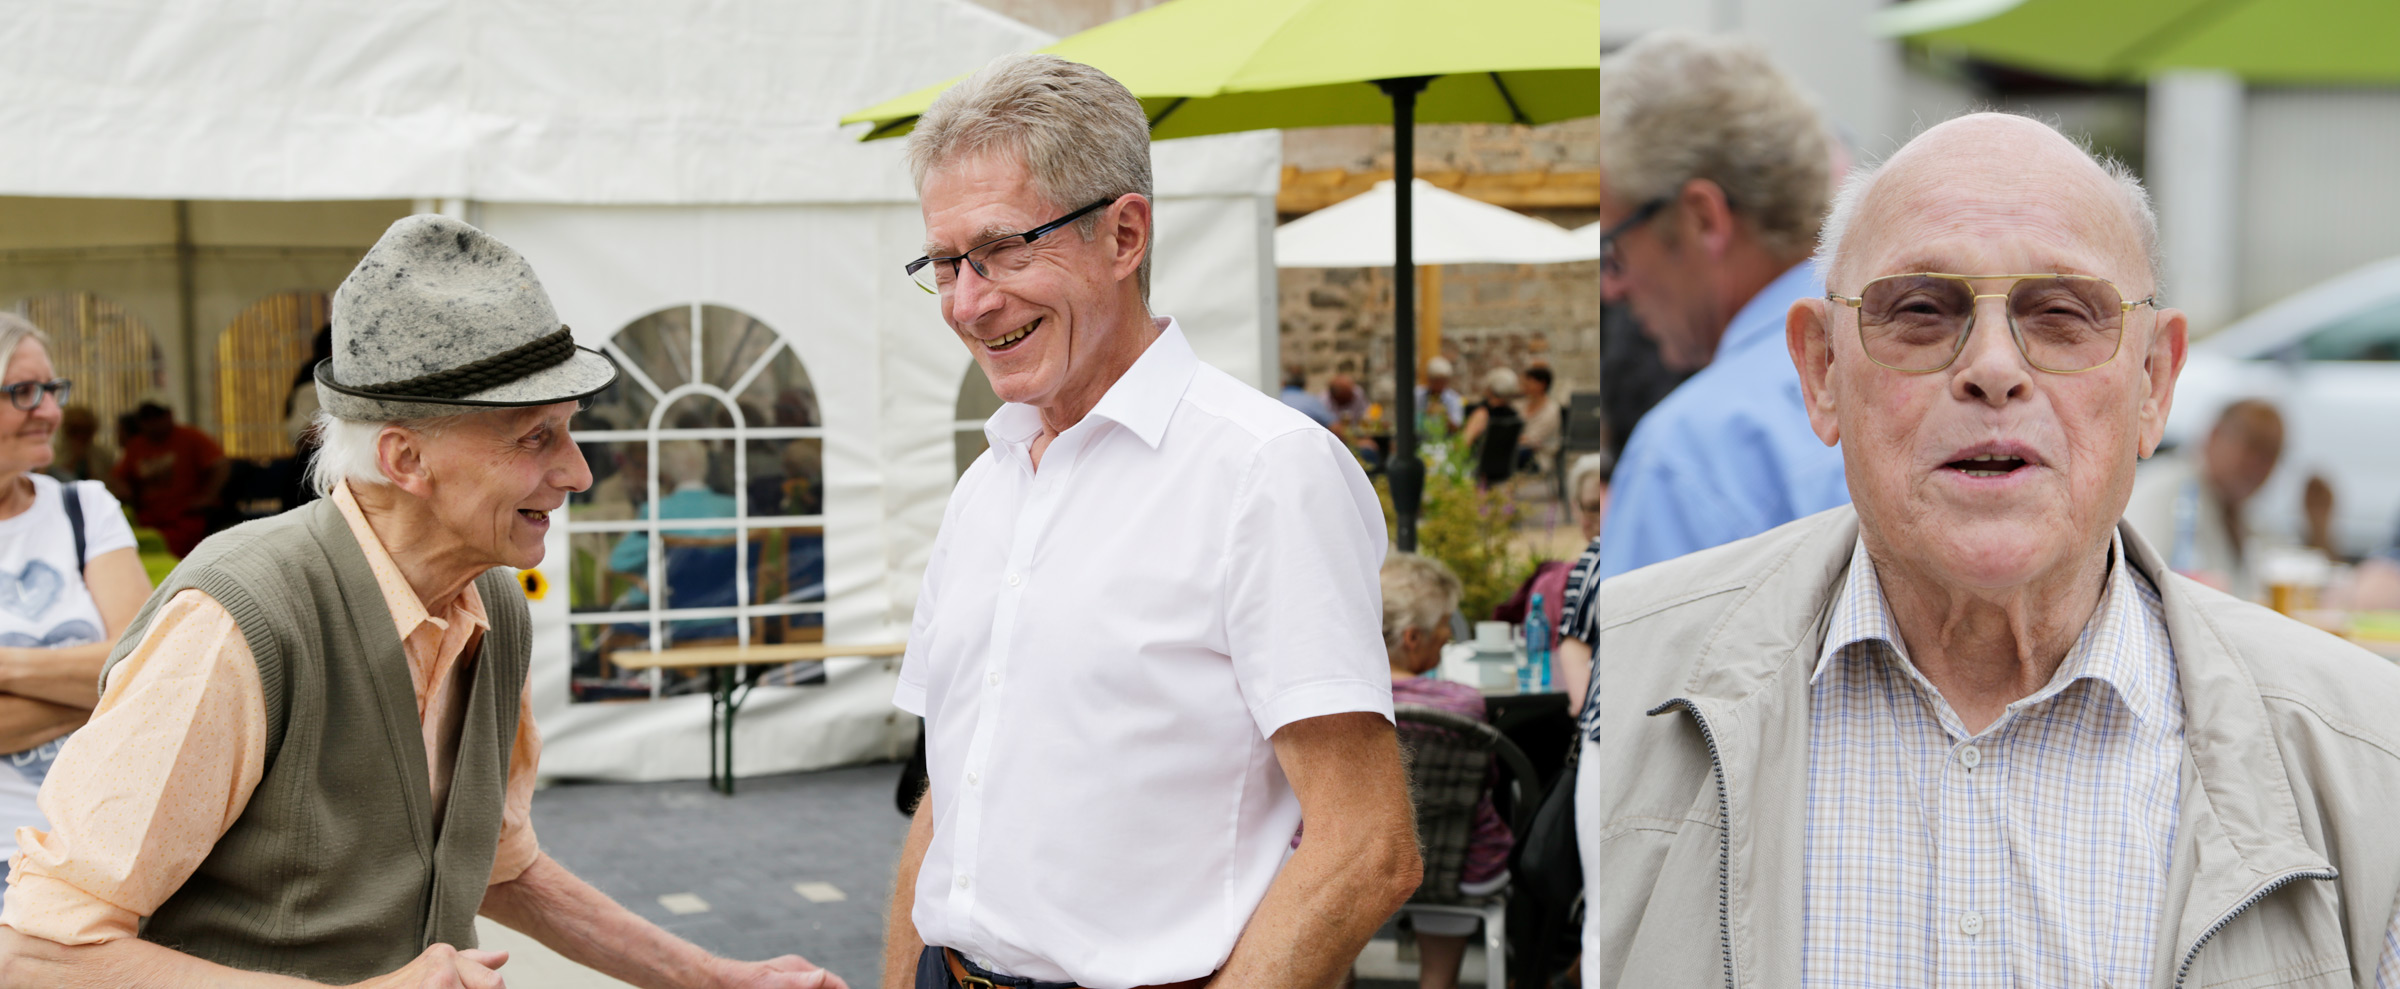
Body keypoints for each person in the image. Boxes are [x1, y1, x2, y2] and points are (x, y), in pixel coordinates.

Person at [1596, 112, 2400, 986]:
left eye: (2060, 315)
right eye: (1919, 310)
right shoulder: (1631, 683)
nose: (1992, 367)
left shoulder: (2370, 765)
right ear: (1822, 371)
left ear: (2154, 384)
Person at [0, 215, 846, 989]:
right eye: (536, 436)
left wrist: (715, 977)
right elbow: (43, 950)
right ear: (405, 458)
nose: (578, 471)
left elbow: (498, 865)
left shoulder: (491, 603)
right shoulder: (236, 618)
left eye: (570, 427)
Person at [887, 53, 1418, 989]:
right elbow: (950, 795)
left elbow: (1367, 844)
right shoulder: (989, 481)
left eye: (1007, 249)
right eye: (944, 263)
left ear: (1125, 234)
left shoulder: (1263, 469)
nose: (969, 302)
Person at [1595, 31, 1848, 578]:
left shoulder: (1692, 451)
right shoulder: (1924, 361)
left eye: (1614, 247)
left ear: (1703, 219)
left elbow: (1637, 666)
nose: (1611, 288)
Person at [0, 316, 153, 883]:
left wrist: (8, 668)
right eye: (22, 392)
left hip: (108, 848)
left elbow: (150, 668)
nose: (50, 410)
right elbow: (129, 682)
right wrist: (102, 695)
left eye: (51, 389)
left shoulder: (84, 508)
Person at [1379, 552, 1510, 989]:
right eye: (1444, 628)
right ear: (1412, 637)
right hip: (1454, 866)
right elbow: (1487, 782)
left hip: (1348, 865)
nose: (1447, 640)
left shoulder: (1346, 702)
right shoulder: (1464, 704)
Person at [2124, 398, 2284, 599]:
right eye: (2252, 447)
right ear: (2214, 435)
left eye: (2271, 455)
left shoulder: (2245, 517)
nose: (2258, 465)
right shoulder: (2163, 490)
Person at [110, 401, 229, 558]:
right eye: (146, 417)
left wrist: (209, 496)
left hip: (184, 517)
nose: (152, 421)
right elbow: (118, 477)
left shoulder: (191, 437)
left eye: (157, 415)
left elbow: (221, 464)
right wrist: (124, 489)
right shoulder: (136, 445)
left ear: (169, 415)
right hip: (148, 520)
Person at [1458, 367, 1523, 486]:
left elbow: (1463, 443)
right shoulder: (1515, 417)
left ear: (1489, 389)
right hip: (1504, 471)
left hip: (1478, 469)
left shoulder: (1482, 414)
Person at [1515, 364, 1562, 477]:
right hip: (1517, 449)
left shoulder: (1551, 410)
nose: (1524, 386)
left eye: (1528, 382)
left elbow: (1534, 440)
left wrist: (1510, 438)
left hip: (1537, 457)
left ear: (1542, 384)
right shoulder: (1520, 405)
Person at [43, 406, 107, 485]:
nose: (81, 436)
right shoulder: (52, 454)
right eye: (75, 430)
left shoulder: (103, 456)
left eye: (85, 430)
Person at [1277, 362, 1337, 428]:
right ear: (1305, 383)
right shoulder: (1311, 401)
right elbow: (1334, 426)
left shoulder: (1275, 398)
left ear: (1283, 382)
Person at [1417, 356, 1463, 433]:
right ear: (1429, 379)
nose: (1440, 385)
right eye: (1436, 381)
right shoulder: (1417, 395)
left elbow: (1457, 428)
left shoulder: (1454, 398)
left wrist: (1444, 415)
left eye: (1443, 381)